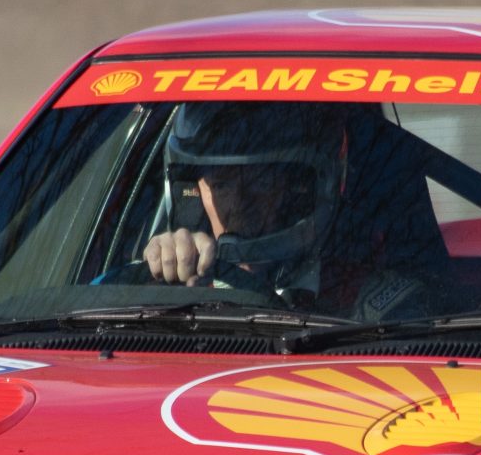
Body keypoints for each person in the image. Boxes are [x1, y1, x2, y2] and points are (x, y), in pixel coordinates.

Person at [136, 101, 438, 321]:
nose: (239, 204)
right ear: (196, 192)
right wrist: (156, 283)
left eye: (260, 181)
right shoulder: (177, 290)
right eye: (222, 185)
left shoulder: (380, 305)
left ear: (300, 188)